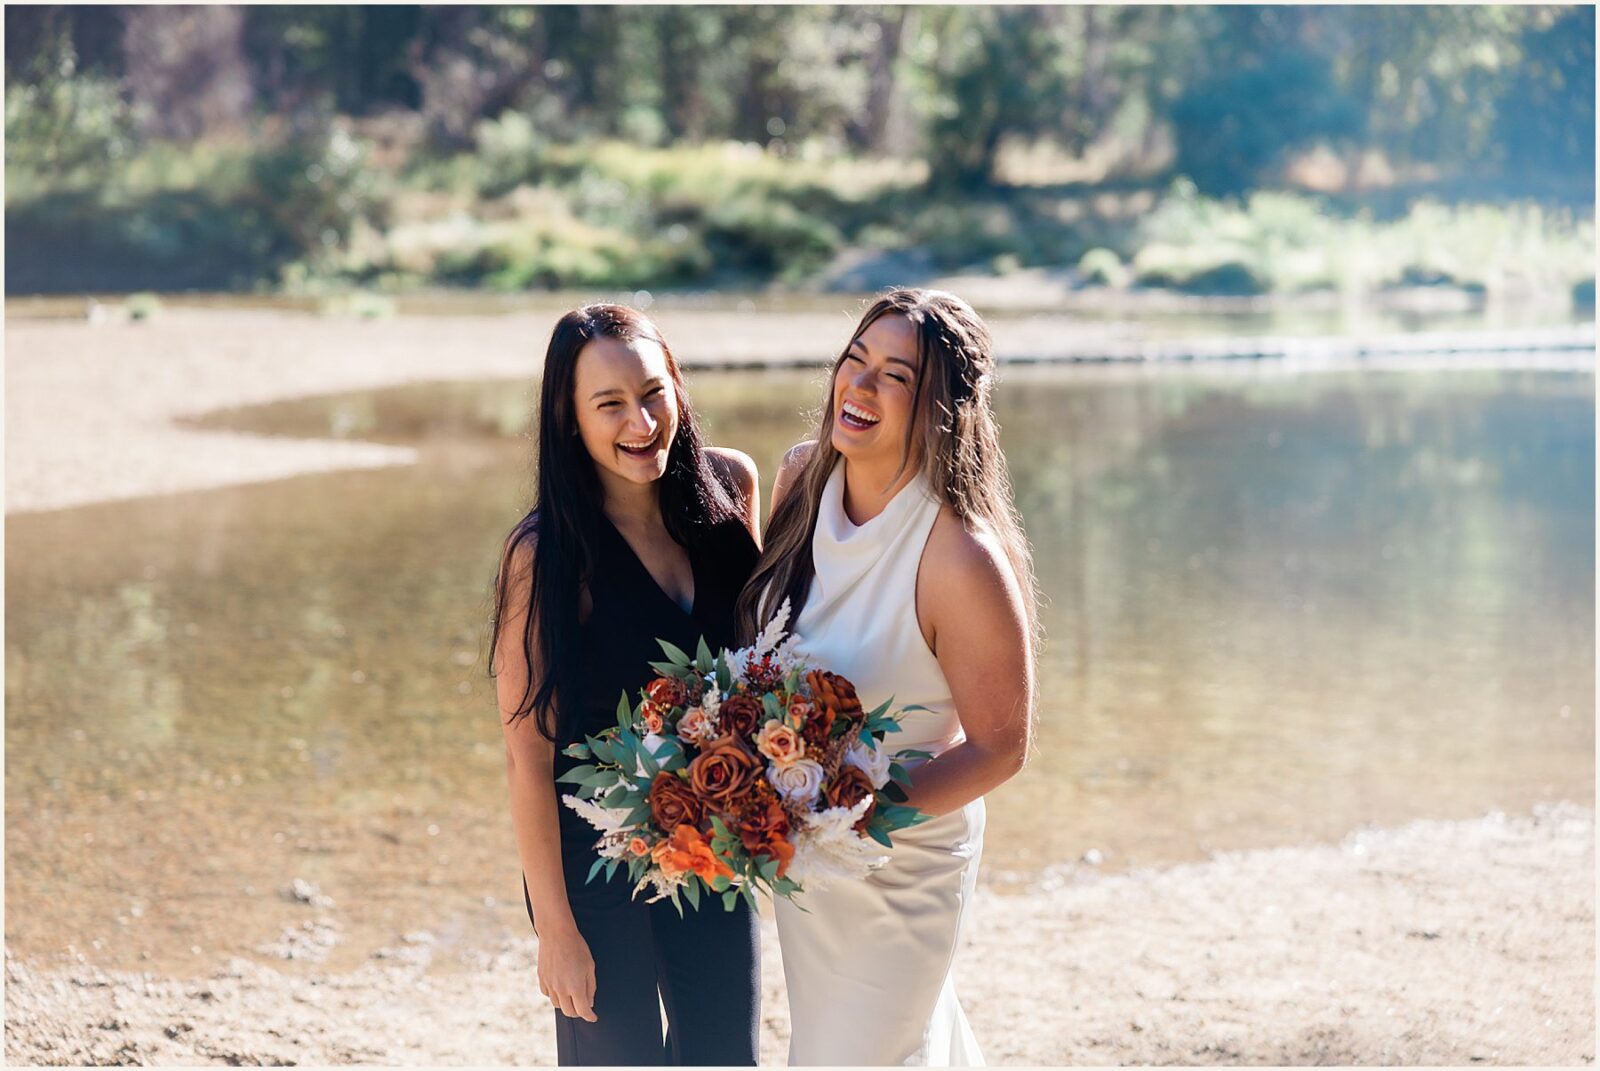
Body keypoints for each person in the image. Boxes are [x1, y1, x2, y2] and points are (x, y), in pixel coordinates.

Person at [736, 288, 1038, 1066]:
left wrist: (857, 820)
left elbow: (1001, 748)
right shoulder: (803, 481)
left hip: (901, 862)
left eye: (895, 377)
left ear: (940, 408)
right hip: (812, 865)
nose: (859, 387)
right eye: (856, 360)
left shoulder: (959, 555)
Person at [491, 304, 762, 1066]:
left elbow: (762, 667)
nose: (640, 422)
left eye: (653, 392)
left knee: (724, 1056)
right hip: (595, 862)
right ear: (568, 418)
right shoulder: (545, 554)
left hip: (713, 841)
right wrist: (555, 930)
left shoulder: (731, 490)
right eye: (609, 404)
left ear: (678, 385)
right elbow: (526, 757)